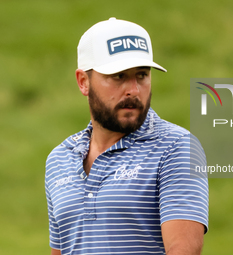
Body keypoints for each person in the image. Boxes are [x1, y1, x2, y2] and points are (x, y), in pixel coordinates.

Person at [45, 17, 208, 255]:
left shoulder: (177, 147)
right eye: (119, 76)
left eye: (141, 75)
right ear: (83, 82)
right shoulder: (58, 160)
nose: (133, 89)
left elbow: (183, 249)